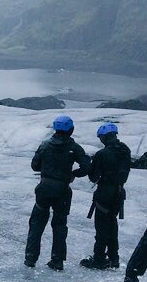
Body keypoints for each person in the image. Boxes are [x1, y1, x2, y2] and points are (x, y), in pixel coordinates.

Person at [24, 115, 91, 271]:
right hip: (62, 190)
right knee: (60, 225)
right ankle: (57, 260)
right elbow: (87, 166)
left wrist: (48, 169)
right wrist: (74, 174)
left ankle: (30, 258)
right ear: (71, 130)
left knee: (36, 223)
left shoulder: (45, 145)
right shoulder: (74, 148)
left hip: (44, 188)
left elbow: (35, 166)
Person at [81, 122, 132, 270]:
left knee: (102, 226)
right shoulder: (125, 150)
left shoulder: (102, 154)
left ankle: (98, 259)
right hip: (119, 193)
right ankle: (113, 257)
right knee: (112, 223)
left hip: (104, 194)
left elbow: (93, 176)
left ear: (104, 137)